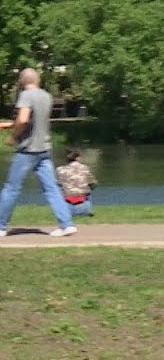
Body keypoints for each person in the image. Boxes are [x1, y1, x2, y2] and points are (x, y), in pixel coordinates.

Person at [0, 68, 75, 237]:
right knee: (51, 188)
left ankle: (1, 226)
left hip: (28, 150)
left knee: (11, 188)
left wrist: (13, 137)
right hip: (44, 149)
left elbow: (24, 119)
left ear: (21, 82)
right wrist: (10, 124)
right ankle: (67, 224)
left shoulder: (26, 95)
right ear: (38, 80)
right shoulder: (46, 96)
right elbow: (35, 120)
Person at [56, 148, 97, 217]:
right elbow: (94, 184)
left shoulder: (60, 170)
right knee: (88, 186)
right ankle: (89, 210)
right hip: (84, 207)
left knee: (59, 187)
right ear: (77, 158)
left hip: (66, 209)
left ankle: (62, 209)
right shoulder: (85, 168)